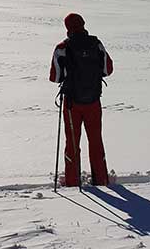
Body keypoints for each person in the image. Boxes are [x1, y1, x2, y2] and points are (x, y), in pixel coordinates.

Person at [49, 13, 114, 186]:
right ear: (83, 24)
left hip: (71, 104)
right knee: (95, 140)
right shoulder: (96, 44)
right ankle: (101, 179)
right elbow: (108, 70)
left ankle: (72, 181)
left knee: (72, 142)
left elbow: (55, 77)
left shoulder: (62, 47)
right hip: (93, 100)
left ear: (67, 28)